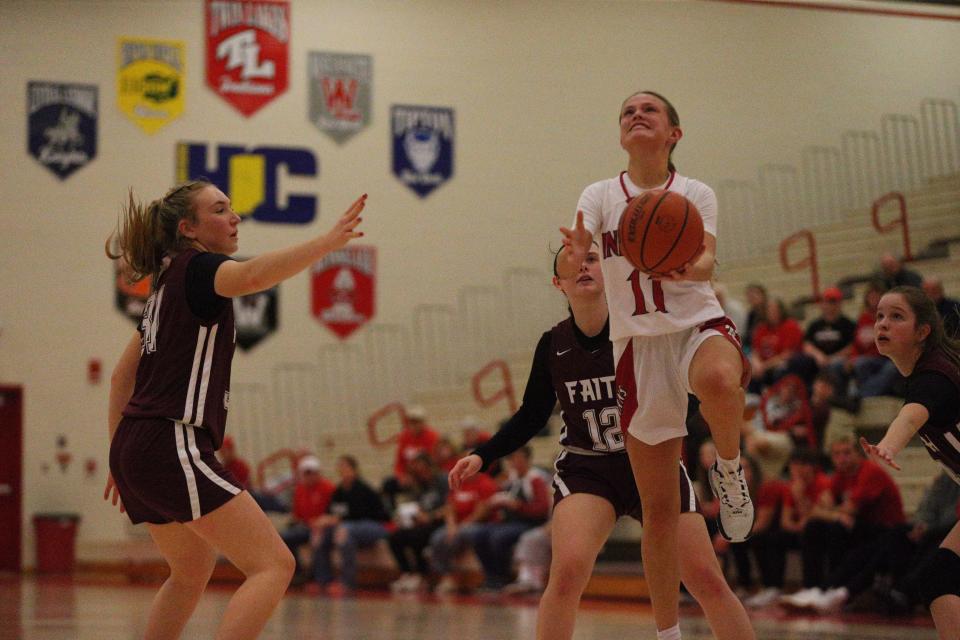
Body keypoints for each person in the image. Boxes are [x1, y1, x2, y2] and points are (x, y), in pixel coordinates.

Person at [449, 243, 754, 640]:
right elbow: (531, 414)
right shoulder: (553, 345)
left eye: (592, 259)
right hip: (588, 469)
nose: (585, 267)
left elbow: (688, 394)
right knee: (568, 570)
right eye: (573, 264)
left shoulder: (642, 330)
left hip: (653, 458)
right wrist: (484, 454)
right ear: (558, 283)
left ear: (608, 271)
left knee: (705, 578)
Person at [103, 179, 365, 639]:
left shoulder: (165, 286)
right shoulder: (201, 268)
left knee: (190, 569)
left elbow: (121, 378)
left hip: (138, 444)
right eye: (220, 209)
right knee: (274, 565)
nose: (234, 217)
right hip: (171, 439)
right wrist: (326, 243)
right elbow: (251, 277)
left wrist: (117, 455)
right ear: (188, 228)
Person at [558, 90, 754, 640]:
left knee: (720, 378)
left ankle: (731, 475)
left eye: (650, 110)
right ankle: (667, 634)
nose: (636, 115)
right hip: (637, 348)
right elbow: (576, 250)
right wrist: (573, 255)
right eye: (627, 111)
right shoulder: (599, 194)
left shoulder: (694, 192)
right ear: (621, 134)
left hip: (696, 325)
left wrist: (692, 269)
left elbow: (709, 256)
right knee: (660, 510)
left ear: (674, 133)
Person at [860, 286, 960, 638]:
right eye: (880, 316)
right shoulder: (926, 374)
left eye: (896, 316)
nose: (883, 324)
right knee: (939, 577)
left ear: (923, 332)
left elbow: (910, 418)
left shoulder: (934, 377)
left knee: (940, 576)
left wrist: (888, 445)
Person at [779, 436, 905, 611]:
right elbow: (824, 509)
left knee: (836, 529)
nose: (842, 458)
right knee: (815, 527)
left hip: (886, 531)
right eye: (837, 454)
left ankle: (829, 589)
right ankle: (812, 588)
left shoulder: (870, 471)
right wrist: (833, 514)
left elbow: (847, 510)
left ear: (858, 454)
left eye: (847, 453)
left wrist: (831, 513)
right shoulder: (840, 476)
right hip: (859, 527)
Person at [309, 455, 390, 594]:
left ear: (354, 470)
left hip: (374, 526)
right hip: (349, 527)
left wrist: (336, 520)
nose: (342, 470)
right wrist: (322, 522)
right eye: (340, 467)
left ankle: (347, 582)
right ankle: (323, 580)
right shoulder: (339, 491)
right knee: (322, 534)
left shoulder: (363, 489)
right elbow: (331, 513)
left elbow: (360, 514)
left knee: (344, 530)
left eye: (345, 466)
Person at [386, 453, 449, 590]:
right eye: (418, 472)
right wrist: (407, 516)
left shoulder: (442, 480)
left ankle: (422, 576)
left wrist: (430, 516)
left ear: (431, 467)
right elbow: (416, 506)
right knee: (395, 537)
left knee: (417, 536)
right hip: (423, 522)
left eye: (424, 470)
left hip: (440, 522)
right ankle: (407, 573)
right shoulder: (419, 485)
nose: (422, 474)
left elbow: (450, 506)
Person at [280, 455, 336, 585]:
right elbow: (297, 515)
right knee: (284, 537)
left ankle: (320, 578)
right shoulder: (300, 489)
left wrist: (320, 524)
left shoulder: (328, 488)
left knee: (318, 539)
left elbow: (332, 514)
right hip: (306, 526)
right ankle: (297, 573)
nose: (309, 476)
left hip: (323, 526)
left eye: (312, 472)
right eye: (306, 473)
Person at [788, 286, 856, 387]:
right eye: (826, 302)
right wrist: (818, 356)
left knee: (835, 365)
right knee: (798, 361)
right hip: (818, 360)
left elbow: (852, 346)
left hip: (838, 360)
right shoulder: (815, 325)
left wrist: (833, 358)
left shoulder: (848, 324)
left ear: (839, 304)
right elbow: (807, 344)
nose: (828, 306)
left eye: (832, 302)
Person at [382, 404, 440, 510]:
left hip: (424, 476)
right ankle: (391, 512)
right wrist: (401, 476)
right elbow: (399, 462)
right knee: (388, 484)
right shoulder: (404, 437)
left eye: (417, 422)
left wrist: (416, 475)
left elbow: (433, 461)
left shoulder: (432, 437)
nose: (414, 425)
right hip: (408, 476)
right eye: (412, 422)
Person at [749, 298, 804, 393]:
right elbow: (755, 351)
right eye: (769, 310)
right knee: (749, 370)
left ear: (781, 311)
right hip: (763, 365)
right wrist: (756, 364)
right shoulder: (761, 328)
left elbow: (787, 355)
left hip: (781, 364)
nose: (772, 313)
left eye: (775, 310)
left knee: (781, 369)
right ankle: (754, 401)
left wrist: (764, 366)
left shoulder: (790, 326)